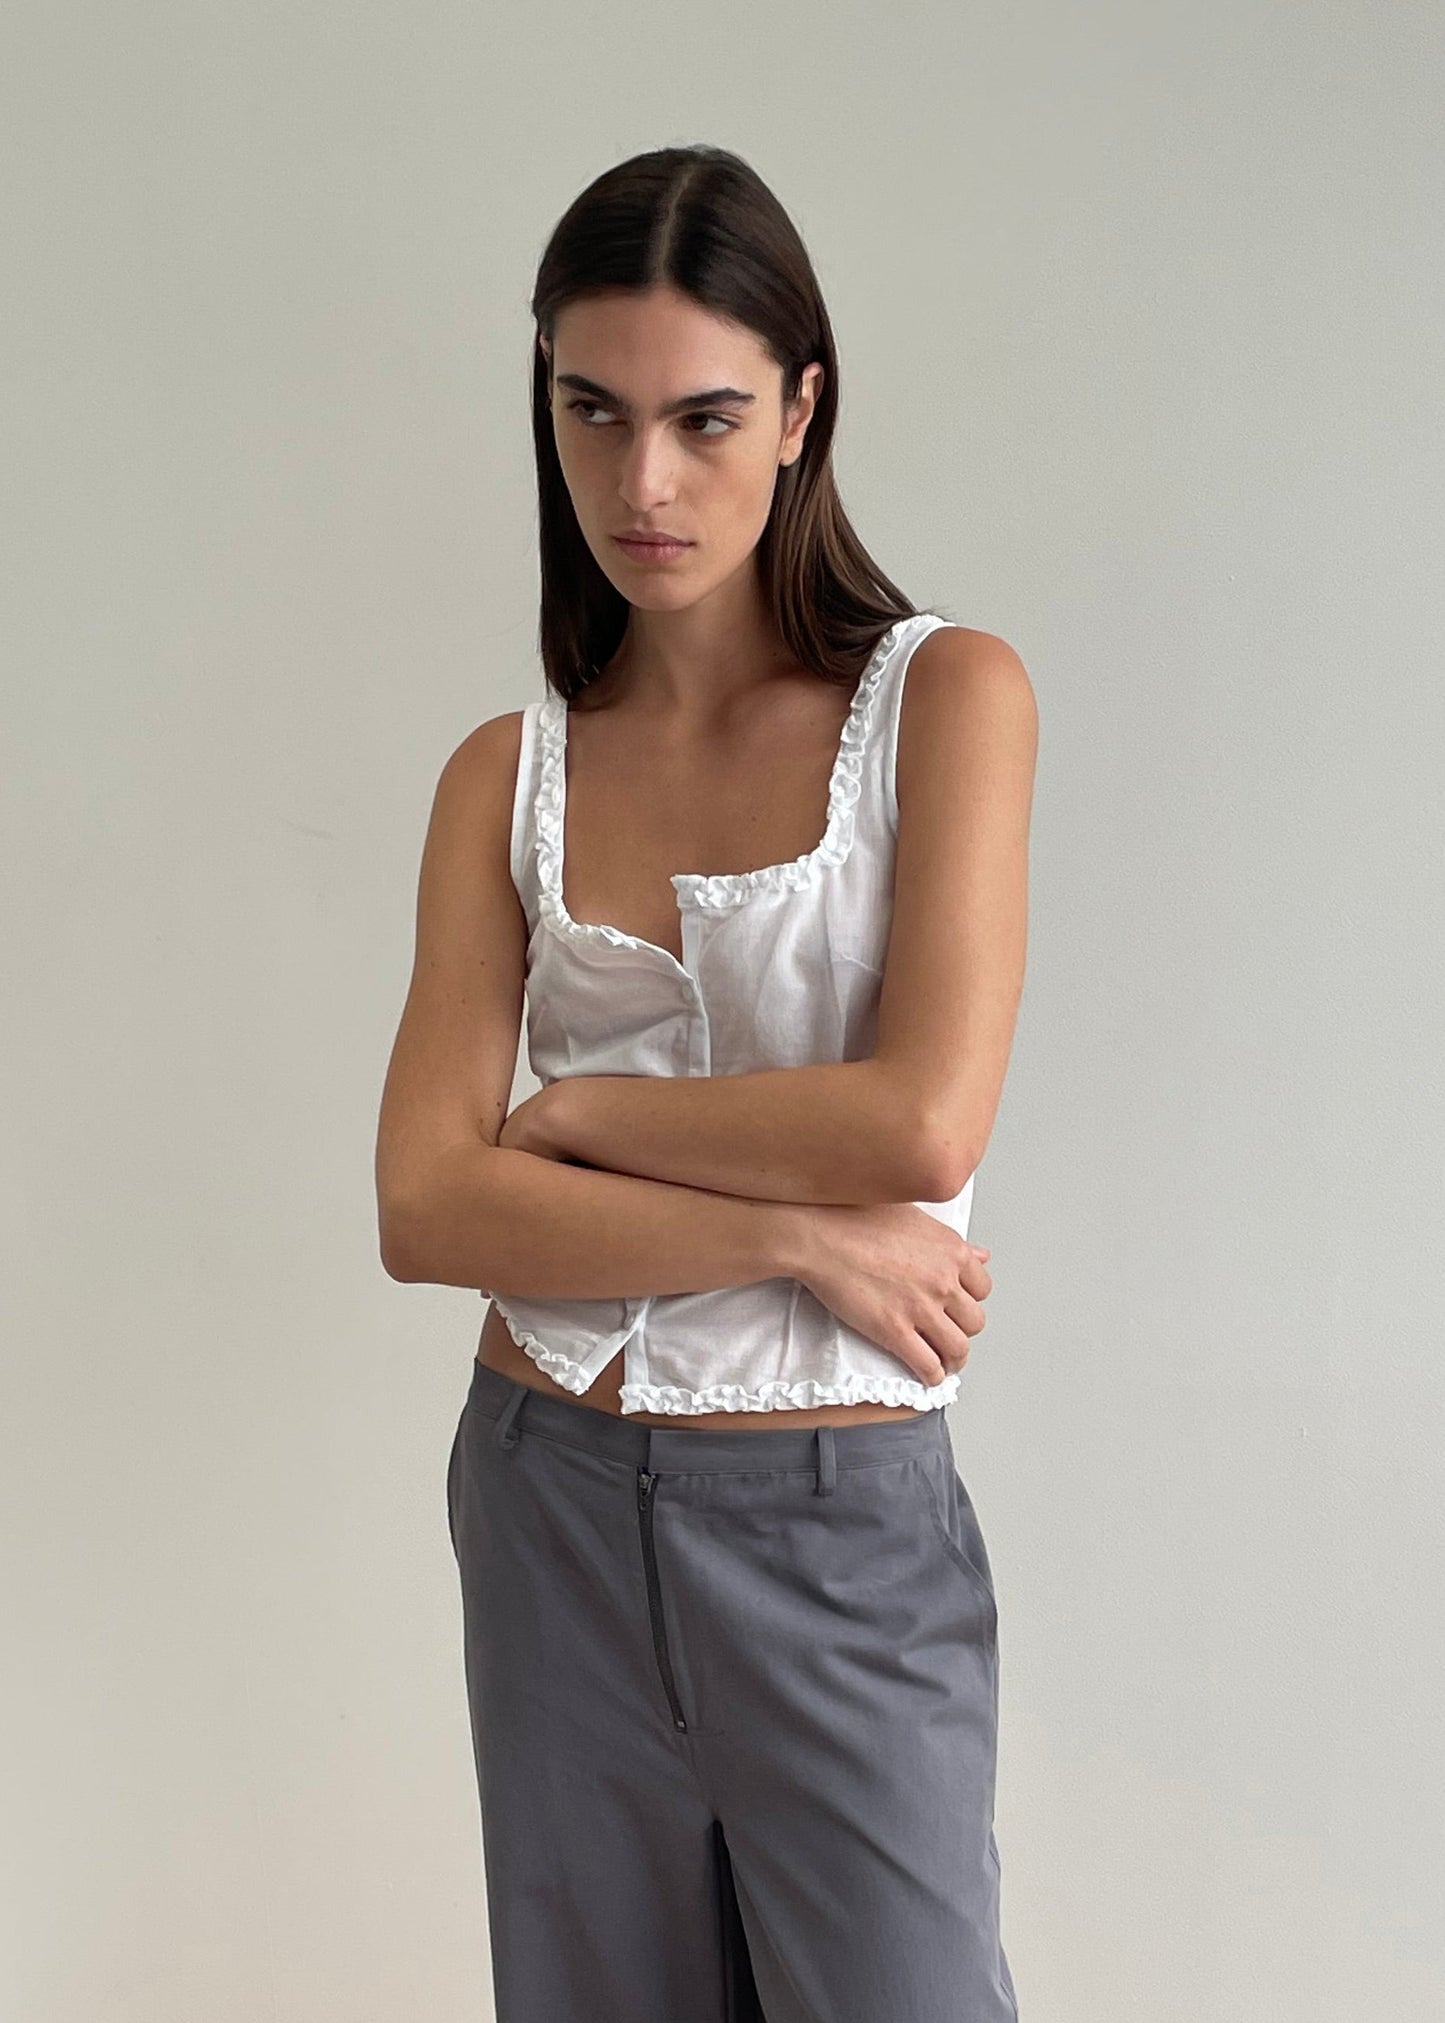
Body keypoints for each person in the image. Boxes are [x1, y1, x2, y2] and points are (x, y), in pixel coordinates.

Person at [375, 143, 1036, 2023]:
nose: (640, 483)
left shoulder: (946, 703)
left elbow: (920, 1121)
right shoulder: (503, 776)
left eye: (703, 417)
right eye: (590, 413)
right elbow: (426, 1208)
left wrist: (577, 1117)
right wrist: (788, 1229)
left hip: (835, 1520)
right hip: (546, 1494)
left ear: (802, 409)